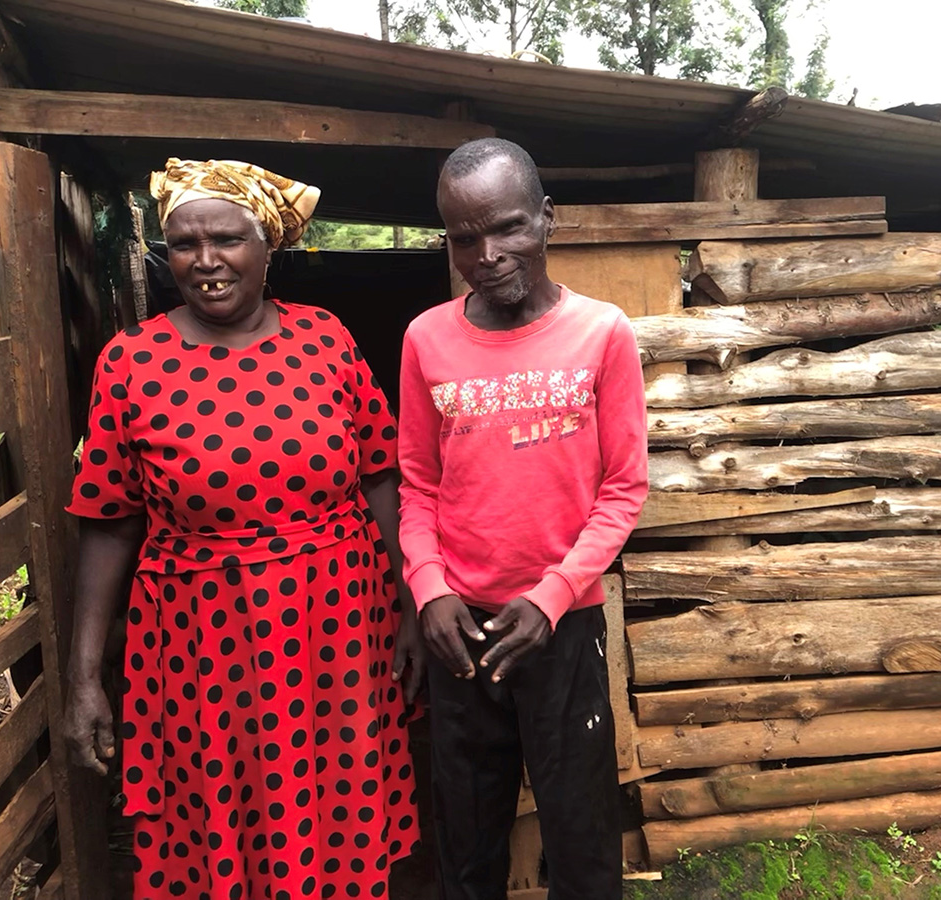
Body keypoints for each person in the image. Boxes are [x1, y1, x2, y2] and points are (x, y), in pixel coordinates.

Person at [62, 158, 422, 900]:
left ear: (268, 247)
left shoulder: (325, 339)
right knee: (219, 811)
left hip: (338, 625)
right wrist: (84, 674)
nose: (205, 262)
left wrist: (412, 607)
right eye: (185, 244)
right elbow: (108, 522)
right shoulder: (131, 362)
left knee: (333, 804)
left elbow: (382, 475)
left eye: (226, 239)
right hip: (202, 639)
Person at [397, 138, 649, 900]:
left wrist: (552, 596)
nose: (487, 254)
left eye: (506, 227)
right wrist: (431, 589)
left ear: (546, 218)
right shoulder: (426, 339)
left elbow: (624, 489)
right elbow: (417, 485)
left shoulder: (602, 333)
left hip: (561, 631)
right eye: (462, 237)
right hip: (461, 636)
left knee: (582, 843)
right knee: (467, 845)